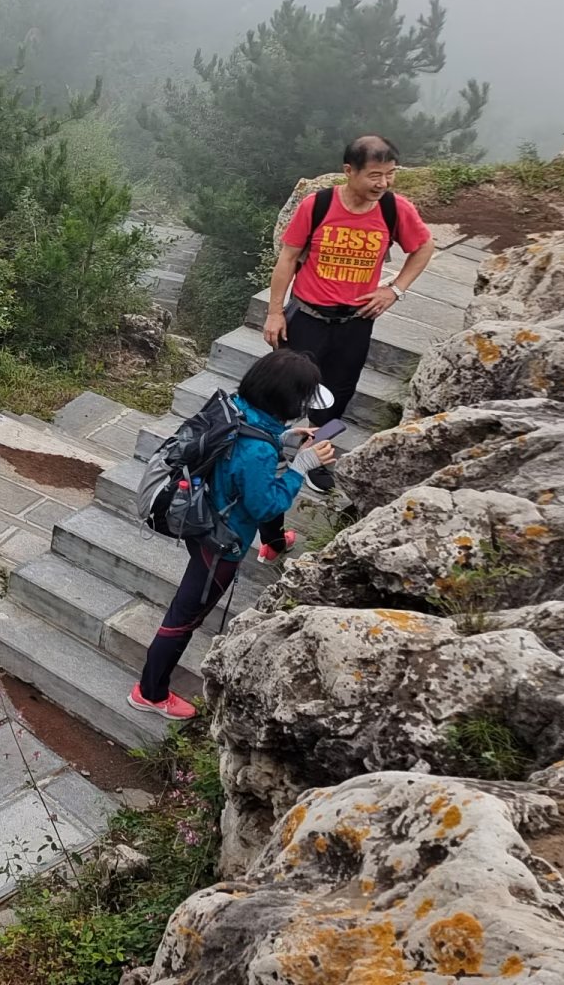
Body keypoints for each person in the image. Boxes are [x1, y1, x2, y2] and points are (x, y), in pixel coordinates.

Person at [128, 350, 336, 721]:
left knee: (186, 609)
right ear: (286, 401)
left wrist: (287, 438)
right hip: (221, 543)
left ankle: (274, 545)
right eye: (303, 399)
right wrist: (301, 467)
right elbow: (266, 506)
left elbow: (240, 448)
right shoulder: (257, 452)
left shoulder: (235, 407)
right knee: (183, 619)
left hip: (202, 511)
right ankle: (150, 692)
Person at [261, 134, 436, 488]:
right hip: (307, 317)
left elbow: (424, 247)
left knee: (337, 395)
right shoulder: (318, 205)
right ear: (349, 171)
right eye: (375, 175)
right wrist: (275, 312)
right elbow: (288, 258)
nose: (383, 183)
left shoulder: (394, 209)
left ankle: (314, 455)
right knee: (284, 388)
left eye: (391, 174)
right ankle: (264, 448)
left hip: (355, 324)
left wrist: (394, 289)